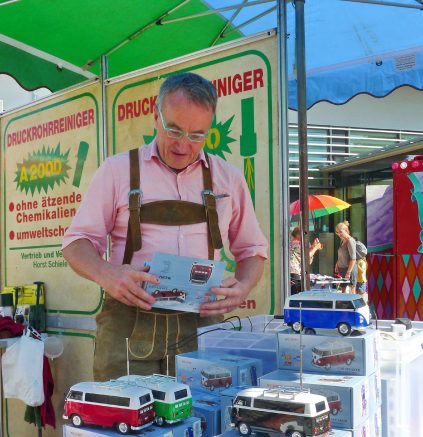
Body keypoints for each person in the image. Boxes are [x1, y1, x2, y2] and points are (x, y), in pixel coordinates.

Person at [62, 72, 268, 381]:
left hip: (202, 324)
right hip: (128, 321)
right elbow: (76, 243)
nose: (183, 145)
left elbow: (252, 250)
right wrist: (106, 273)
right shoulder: (117, 170)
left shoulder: (229, 178)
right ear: (155, 116)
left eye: (197, 135)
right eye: (174, 130)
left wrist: (244, 286)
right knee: (125, 410)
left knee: (204, 410)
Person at [289, 226, 323, 294]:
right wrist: (315, 248)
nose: (306, 236)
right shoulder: (297, 243)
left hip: (295, 272)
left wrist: (313, 246)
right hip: (294, 272)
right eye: (305, 234)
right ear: (298, 234)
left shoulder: (294, 242)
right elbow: (307, 257)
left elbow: (307, 260)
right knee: (296, 293)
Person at [334, 221, 357, 293]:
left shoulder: (350, 241)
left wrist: (348, 272)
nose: (339, 234)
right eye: (337, 232)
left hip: (349, 269)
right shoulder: (343, 240)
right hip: (342, 269)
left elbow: (353, 258)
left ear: (346, 230)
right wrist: (337, 264)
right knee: (343, 291)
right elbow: (342, 254)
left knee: (352, 291)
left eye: (340, 232)